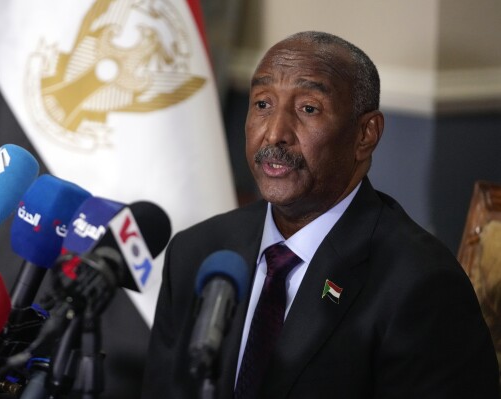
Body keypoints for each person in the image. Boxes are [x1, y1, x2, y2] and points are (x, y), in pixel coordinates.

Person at [141, 31, 499, 398]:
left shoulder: (419, 284)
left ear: (365, 134)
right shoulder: (198, 252)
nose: (275, 133)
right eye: (262, 104)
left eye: (308, 109)